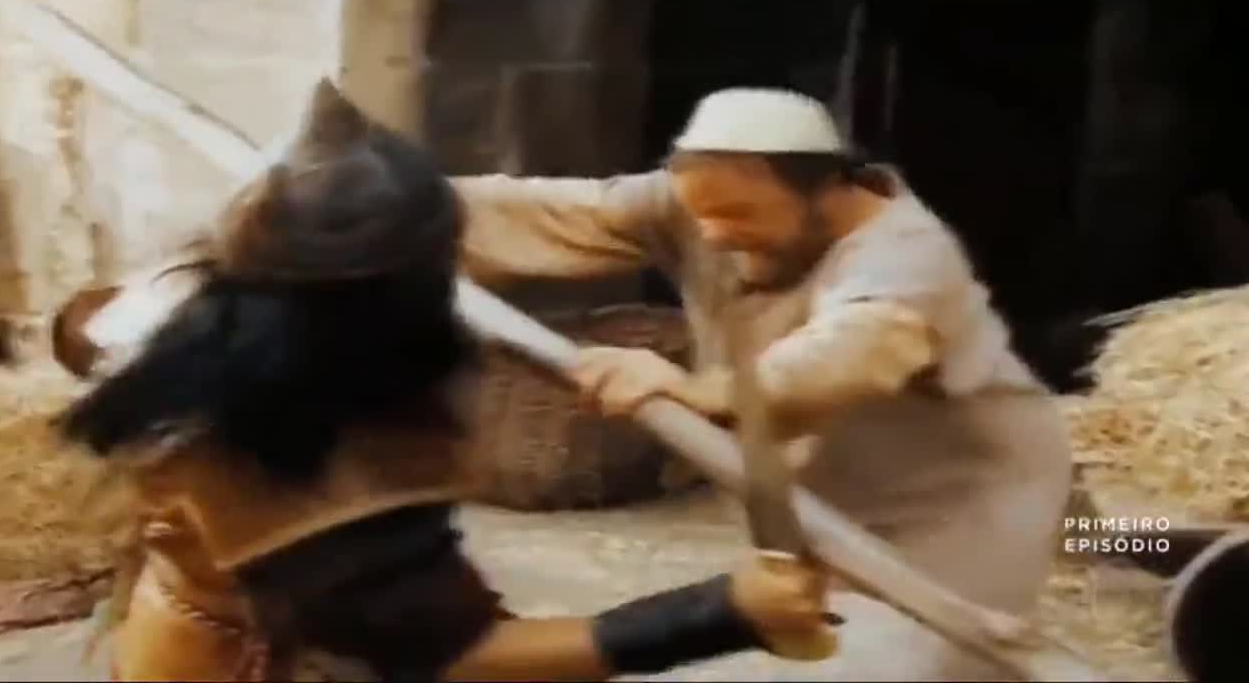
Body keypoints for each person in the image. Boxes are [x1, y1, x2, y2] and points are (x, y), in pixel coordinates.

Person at [49, 78, 836, 682]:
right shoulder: (297, 460)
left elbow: (86, 331)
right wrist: (724, 611)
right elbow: (458, 656)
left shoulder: (206, 305)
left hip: (212, 624)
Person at [453, 87, 1074, 679]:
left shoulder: (905, 255)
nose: (712, 234)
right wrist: (412, 207)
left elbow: (852, 353)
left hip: (962, 505)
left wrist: (699, 391)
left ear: (827, 191)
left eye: (738, 215)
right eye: (702, 213)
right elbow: (543, 213)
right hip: (830, 502)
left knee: (931, 658)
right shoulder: (703, 205)